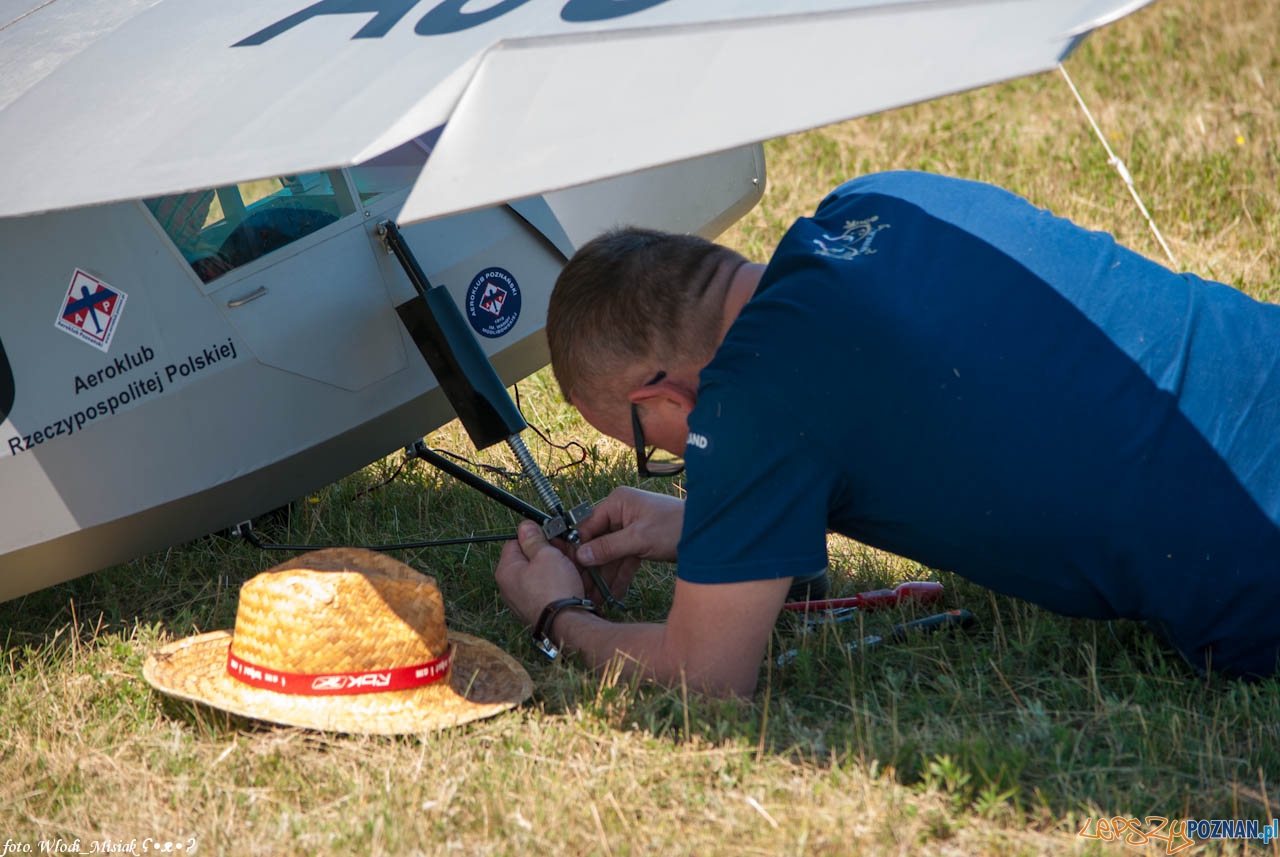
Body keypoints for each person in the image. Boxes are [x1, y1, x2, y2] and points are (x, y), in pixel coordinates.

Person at [494, 170, 1280, 697]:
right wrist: (711, 521)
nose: (678, 455)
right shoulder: (874, 201)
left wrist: (559, 616)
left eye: (651, 441)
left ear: (660, 390)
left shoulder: (752, 398)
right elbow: (903, 411)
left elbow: (708, 679)